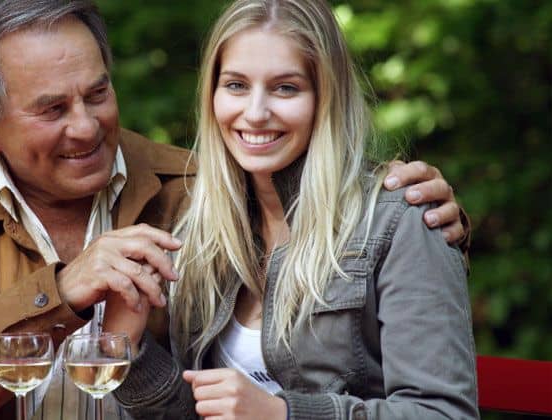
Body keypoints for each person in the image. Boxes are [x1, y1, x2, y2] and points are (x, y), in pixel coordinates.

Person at [0, 0, 469, 419]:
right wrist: (63, 293)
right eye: (51, 109)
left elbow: (367, 246)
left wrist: (434, 227)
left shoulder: (200, 191)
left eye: (98, 93)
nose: (86, 126)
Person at [105, 0, 478, 419]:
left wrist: (284, 415)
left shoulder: (400, 219)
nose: (256, 113)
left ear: (326, 97)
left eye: (286, 88)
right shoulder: (200, 231)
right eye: (236, 85)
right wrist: (131, 351)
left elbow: (445, 414)